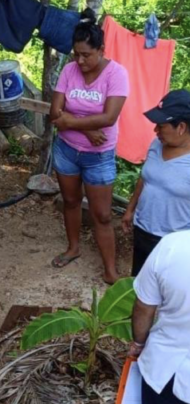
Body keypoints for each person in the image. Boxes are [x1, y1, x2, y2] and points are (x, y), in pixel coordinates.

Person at [50, 8, 129, 284]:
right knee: (70, 201)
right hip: (67, 151)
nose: (80, 60)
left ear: (101, 50)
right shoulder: (69, 70)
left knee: (103, 215)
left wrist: (69, 120)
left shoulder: (117, 75)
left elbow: (110, 117)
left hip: (99, 156)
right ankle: (73, 248)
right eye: (76, 54)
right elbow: (54, 114)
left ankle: (110, 270)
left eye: (87, 55)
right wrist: (87, 127)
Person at [129, 230, 190, 404]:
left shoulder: (172, 246)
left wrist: (139, 343)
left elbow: (144, 308)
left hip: (168, 367)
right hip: (171, 367)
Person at [122, 89, 190, 276]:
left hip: (174, 243)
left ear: (181, 127)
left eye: (161, 126)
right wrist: (130, 210)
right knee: (137, 283)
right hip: (143, 230)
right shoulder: (156, 144)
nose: (155, 130)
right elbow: (145, 178)